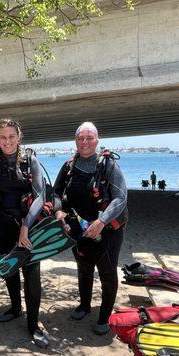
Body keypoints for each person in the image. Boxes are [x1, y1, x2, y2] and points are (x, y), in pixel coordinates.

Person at [0, 118, 48, 348]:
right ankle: (15, 308)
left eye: (11, 136)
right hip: (2, 224)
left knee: (32, 274)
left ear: (19, 137)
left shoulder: (30, 161)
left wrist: (26, 226)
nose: (7, 141)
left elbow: (41, 196)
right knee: (10, 269)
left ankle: (34, 324)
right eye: (3, 137)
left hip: (28, 226)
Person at [53, 122, 128, 335]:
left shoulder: (108, 165)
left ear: (97, 140)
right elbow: (56, 193)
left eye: (89, 138)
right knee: (84, 268)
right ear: (75, 141)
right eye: (81, 138)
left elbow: (121, 197)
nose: (85, 142)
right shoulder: (68, 166)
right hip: (79, 229)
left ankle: (104, 317)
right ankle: (84, 306)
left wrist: (101, 221)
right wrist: (59, 212)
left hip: (107, 230)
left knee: (106, 272)